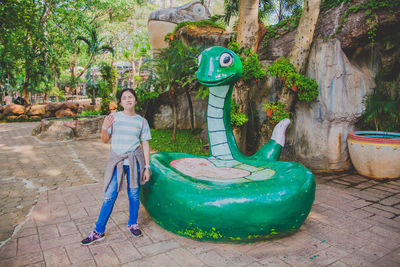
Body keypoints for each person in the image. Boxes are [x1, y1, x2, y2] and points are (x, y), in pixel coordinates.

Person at [81, 88, 152, 245]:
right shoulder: (114, 117)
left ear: (135, 100)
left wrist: (147, 167)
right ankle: (99, 231)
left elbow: (145, 144)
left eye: (131, 97)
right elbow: (104, 140)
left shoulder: (142, 121)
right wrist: (104, 127)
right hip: (117, 162)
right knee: (109, 195)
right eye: (124, 97)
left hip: (134, 162)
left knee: (134, 194)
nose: (128, 99)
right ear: (120, 102)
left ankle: (132, 223)